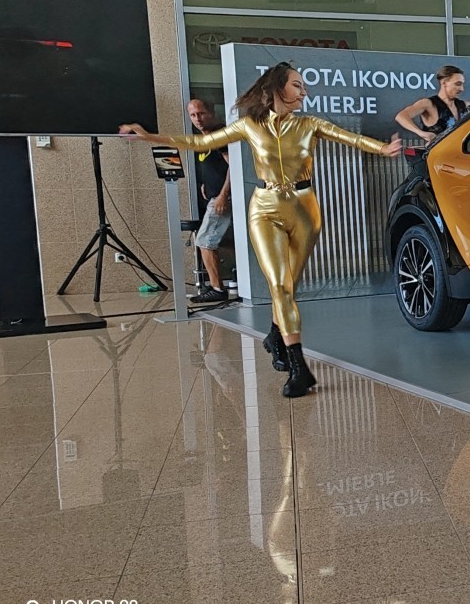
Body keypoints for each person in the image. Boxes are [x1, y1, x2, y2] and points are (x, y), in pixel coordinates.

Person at [121, 62, 402, 398]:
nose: (304, 92)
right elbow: (199, 142)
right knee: (280, 285)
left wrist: (383, 149)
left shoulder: (310, 125)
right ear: (278, 89)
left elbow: (350, 138)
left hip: (305, 210)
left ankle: (275, 335)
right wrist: (148, 136)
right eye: (297, 85)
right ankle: (299, 368)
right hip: (264, 209)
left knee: (289, 287)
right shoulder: (249, 125)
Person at [186, 98, 232, 304]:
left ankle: (217, 289)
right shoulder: (204, 139)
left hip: (223, 197)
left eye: (201, 113)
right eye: (193, 115)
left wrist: (223, 195)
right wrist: (206, 184)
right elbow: (212, 165)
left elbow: (233, 166)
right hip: (214, 195)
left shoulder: (219, 136)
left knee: (204, 241)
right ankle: (218, 285)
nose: (198, 119)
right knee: (207, 241)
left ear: (211, 113)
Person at [394, 65, 468, 145]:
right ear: (444, 83)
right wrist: (422, 133)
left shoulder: (466, 105)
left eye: (462, 84)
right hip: (437, 152)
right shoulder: (428, 104)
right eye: (458, 84)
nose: (462, 89)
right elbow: (401, 116)